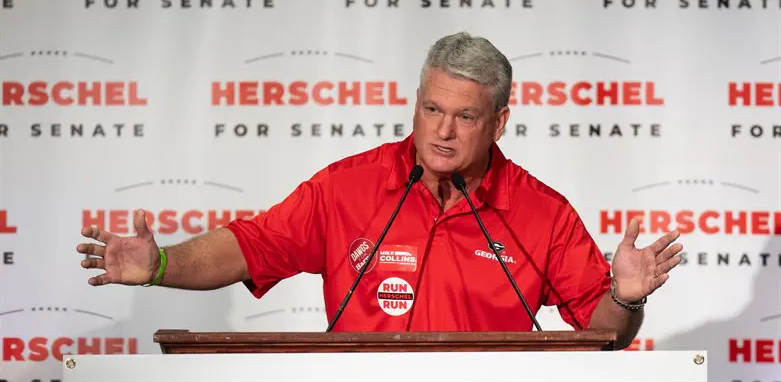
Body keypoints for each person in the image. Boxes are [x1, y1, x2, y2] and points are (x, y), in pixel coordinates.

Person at [77, 31, 682, 349]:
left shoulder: (542, 213)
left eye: (465, 117)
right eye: (431, 109)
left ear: (499, 122)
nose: (442, 132)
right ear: (415, 104)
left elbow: (603, 336)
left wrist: (627, 299)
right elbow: (251, 246)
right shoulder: (349, 188)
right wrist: (161, 262)